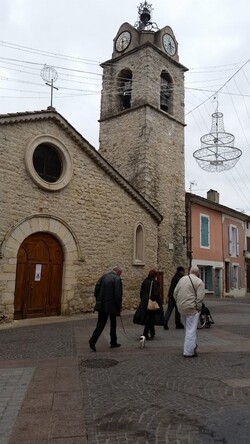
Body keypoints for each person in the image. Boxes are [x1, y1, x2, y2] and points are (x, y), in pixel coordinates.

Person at [173, 266, 205, 358]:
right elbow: (200, 298)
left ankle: (192, 346)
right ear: (198, 273)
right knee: (191, 330)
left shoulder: (182, 279)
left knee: (187, 329)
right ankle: (188, 351)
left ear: (190, 271)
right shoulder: (199, 282)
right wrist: (198, 308)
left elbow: (175, 292)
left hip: (181, 308)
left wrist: (178, 302)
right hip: (192, 308)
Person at [89, 266, 123, 352]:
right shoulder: (117, 279)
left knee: (100, 324)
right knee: (113, 323)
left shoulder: (103, 277)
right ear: (118, 272)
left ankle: (94, 340)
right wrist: (119, 307)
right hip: (111, 305)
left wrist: (99, 300)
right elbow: (117, 295)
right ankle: (113, 342)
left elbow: (96, 290)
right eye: (120, 274)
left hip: (102, 304)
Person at [133, 269, 164, 339]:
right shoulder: (154, 283)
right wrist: (158, 302)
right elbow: (155, 294)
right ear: (155, 276)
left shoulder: (145, 281)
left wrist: (143, 299)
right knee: (149, 318)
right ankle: (145, 333)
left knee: (149, 317)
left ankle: (152, 332)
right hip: (151, 302)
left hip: (144, 301)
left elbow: (141, 292)